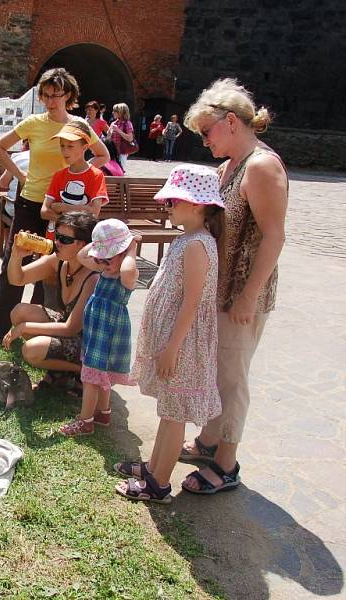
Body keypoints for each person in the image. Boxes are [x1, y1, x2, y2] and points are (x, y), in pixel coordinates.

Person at [178, 78, 288, 495]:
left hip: (242, 293)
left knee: (232, 377)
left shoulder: (261, 166)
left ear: (229, 122)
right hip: (221, 290)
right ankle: (209, 440)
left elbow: (274, 237)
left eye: (206, 132)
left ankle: (226, 464)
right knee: (216, 369)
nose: (204, 141)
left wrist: (247, 295)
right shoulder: (231, 165)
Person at [115, 164, 225, 503]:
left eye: (173, 202)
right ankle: (153, 466)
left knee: (175, 413)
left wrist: (173, 348)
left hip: (184, 344)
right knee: (168, 409)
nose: (168, 208)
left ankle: (159, 483)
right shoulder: (187, 239)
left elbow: (192, 303)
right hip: (171, 340)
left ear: (195, 205)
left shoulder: (197, 245)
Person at [0, 68, 109, 344]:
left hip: (65, 209)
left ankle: (37, 328)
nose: (51, 101)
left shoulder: (79, 126)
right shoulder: (34, 122)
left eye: (57, 95)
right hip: (31, 202)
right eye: (46, 95)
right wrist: (20, 175)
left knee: (52, 267)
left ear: (69, 96)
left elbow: (103, 155)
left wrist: (81, 175)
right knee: (14, 259)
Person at [58, 219, 139, 437]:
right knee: (99, 375)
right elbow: (83, 256)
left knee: (91, 378)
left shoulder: (126, 274)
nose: (102, 262)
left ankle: (85, 421)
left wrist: (130, 248)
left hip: (109, 333)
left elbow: (128, 267)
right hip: (98, 331)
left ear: (122, 253)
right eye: (100, 258)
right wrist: (100, 244)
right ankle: (103, 412)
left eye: (108, 256)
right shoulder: (105, 267)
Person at [3, 212, 99, 396]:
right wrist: (16, 255)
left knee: (31, 350)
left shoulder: (93, 276)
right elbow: (17, 279)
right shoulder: (60, 261)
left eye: (64, 239)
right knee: (19, 312)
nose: (57, 242)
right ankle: (63, 370)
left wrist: (24, 327)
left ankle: (85, 372)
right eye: (56, 236)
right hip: (66, 327)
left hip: (89, 343)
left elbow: (72, 328)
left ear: (83, 245)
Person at [40, 120, 109, 240]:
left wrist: (62, 207)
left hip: (80, 241)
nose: (65, 151)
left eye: (70, 146)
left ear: (85, 147)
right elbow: (44, 211)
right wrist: (82, 210)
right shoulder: (59, 175)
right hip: (55, 238)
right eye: (62, 146)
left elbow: (93, 213)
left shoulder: (96, 175)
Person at [0, 140, 29, 228]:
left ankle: (8, 240)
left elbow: (3, 183)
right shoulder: (52, 159)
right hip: (41, 208)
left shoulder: (17, 157)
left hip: (17, 207)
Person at [108, 103, 136, 172]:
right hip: (112, 151)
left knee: (121, 171)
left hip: (122, 152)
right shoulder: (113, 123)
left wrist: (118, 130)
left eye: (115, 111)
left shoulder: (127, 123)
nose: (113, 112)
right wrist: (109, 133)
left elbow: (130, 138)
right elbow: (108, 138)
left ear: (121, 112)